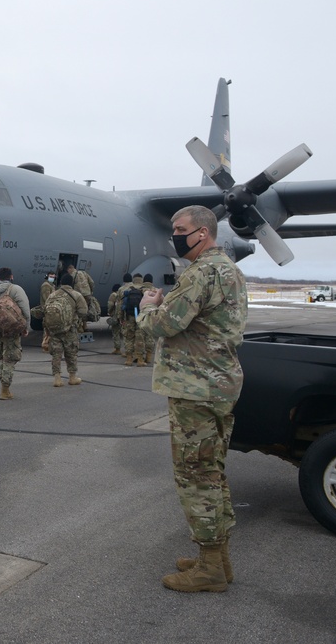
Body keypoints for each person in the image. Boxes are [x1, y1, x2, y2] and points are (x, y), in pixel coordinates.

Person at [136, 205, 248, 593]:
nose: (175, 236)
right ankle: (217, 559)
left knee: (195, 477)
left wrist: (148, 307)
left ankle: (211, 568)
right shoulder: (229, 270)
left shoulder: (200, 273)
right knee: (212, 472)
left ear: (202, 232)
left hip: (195, 388)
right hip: (217, 385)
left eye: (180, 229)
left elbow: (164, 325)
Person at [0, 267, 31, 400]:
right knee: (10, 359)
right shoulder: (16, 290)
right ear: (11, 276)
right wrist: (26, 327)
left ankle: (3, 384)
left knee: (1, 358)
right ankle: (5, 390)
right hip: (12, 331)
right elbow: (26, 310)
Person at [46, 273, 87, 387]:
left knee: (56, 354)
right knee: (71, 353)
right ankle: (72, 377)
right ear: (71, 283)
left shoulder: (52, 295)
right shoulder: (76, 295)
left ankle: (57, 378)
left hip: (55, 330)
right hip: (70, 329)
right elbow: (83, 312)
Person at [121, 272, 146, 366]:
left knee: (129, 338)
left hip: (129, 317)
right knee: (140, 338)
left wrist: (121, 317)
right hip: (141, 317)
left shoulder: (127, 290)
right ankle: (140, 360)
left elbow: (121, 305)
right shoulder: (145, 290)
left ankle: (129, 359)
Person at [139, 273, 157, 364]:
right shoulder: (155, 291)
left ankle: (139, 358)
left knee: (140, 338)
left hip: (140, 317)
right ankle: (149, 357)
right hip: (151, 317)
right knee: (150, 338)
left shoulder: (139, 290)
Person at [39, 272, 57, 353]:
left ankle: (48, 345)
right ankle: (46, 346)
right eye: (51, 276)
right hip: (48, 309)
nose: (52, 278)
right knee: (47, 329)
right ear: (47, 277)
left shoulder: (51, 285)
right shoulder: (46, 286)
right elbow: (47, 298)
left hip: (51, 309)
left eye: (53, 277)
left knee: (49, 328)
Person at [107, 283, 123, 355]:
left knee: (116, 332)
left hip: (116, 316)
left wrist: (109, 312)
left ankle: (117, 349)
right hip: (123, 316)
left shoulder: (113, 295)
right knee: (125, 333)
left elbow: (110, 305)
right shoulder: (122, 294)